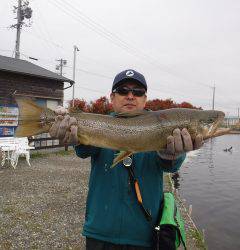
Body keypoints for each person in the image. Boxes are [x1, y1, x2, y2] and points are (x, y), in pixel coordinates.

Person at [49, 69, 203, 250]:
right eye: (123, 91)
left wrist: (173, 154)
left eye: (137, 92)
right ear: (112, 98)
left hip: (146, 235)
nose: (130, 96)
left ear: (145, 99)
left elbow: (169, 166)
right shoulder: (100, 123)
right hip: (100, 231)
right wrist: (73, 137)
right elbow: (83, 151)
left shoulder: (162, 126)